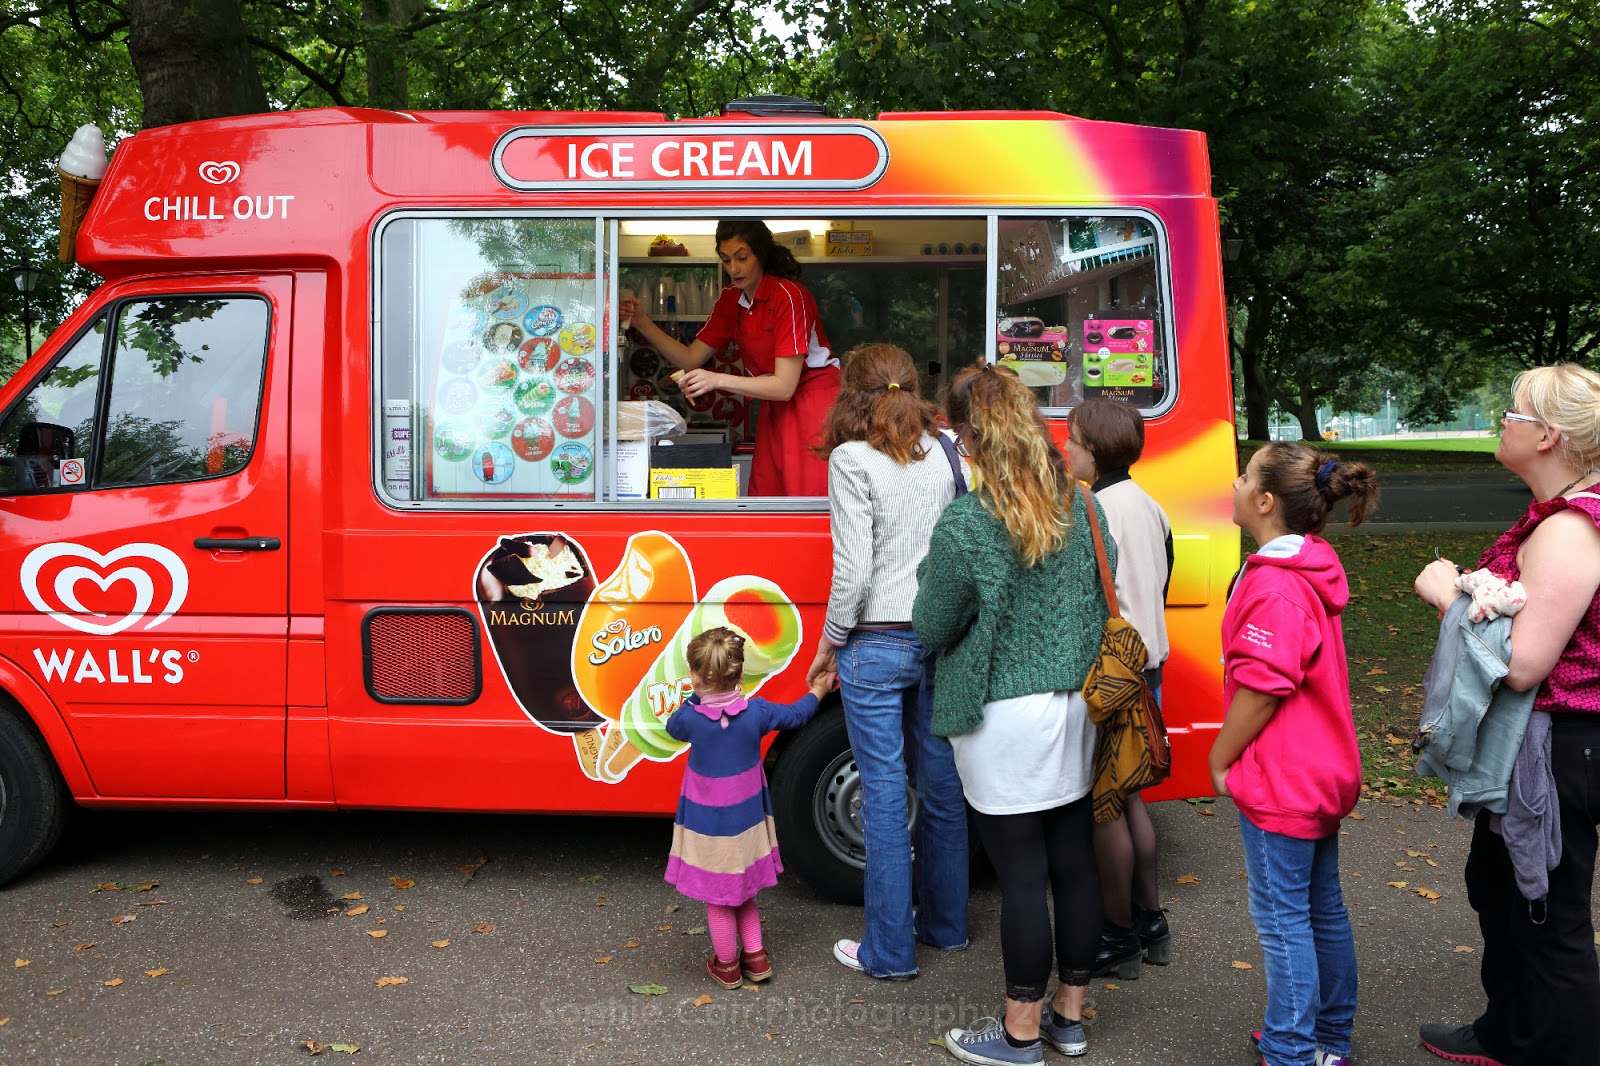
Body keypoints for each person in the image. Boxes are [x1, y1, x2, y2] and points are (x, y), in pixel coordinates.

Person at [914, 363, 1109, 1064]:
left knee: (1023, 876)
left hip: (1002, 714)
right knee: (1074, 864)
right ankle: (1069, 1016)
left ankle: (1020, 1034)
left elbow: (933, 626)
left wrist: (927, 583)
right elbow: (1097, 590)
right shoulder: (1085, 507)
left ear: (966, 438)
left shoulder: (968, 523)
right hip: (1077, 707)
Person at [1412, 364, 1600, 1066]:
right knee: (1497, 890)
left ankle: (1555, 1049)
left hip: (1558, 750)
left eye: (1514, 411)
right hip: (1538, 749)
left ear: (1549, 435)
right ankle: (1507, 1033)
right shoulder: (1559, 514)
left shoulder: (1572, 530)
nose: (1503, 419)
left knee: (1548, 918)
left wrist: (1447, 596)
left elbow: (1523, 662)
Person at [802, 343, 969, 980]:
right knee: (942, 788)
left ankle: (890, 952)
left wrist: (830, 642)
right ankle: (947, 928)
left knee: (881, 796)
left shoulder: (850, 458)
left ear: (853, 394)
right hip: (937, 634)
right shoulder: (946, 450)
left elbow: (852, 568)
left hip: (873, 640)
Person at [1211, 441, 1377, 1066]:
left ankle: (1290, 1049)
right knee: (1320, 906)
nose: (1233, 481)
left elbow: (1262, 688)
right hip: (1321, 767)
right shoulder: (1310, 564)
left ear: (1263, 501)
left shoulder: (1276, 586)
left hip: (1285, 776)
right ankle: (1327, 1039)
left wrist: (1221, 759)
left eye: (1245, 474)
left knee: (1284, 919)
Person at [1063, 397, 1174, 979]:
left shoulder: (1093, 508)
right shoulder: (1149, 505)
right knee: (1132, 796)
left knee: (1104, 806)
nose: (1066, 449)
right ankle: (1151, 920)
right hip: (1148, 667)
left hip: (1112, 674)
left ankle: (1117, 935)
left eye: (1074, 440)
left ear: (1095, 448)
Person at [664, 626, 835, 989]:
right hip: (748, 824)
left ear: (694, 675)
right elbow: (797, 715)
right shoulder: (756, 713)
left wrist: (695, 697)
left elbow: (672, 726)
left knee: (718, 898)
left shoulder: (692, 718)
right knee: (743, 892)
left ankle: (726, 965)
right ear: (740, 673)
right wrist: (819, 689)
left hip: (708, 827)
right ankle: (756, 959)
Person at [619, 220, 840, 496]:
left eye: (742, 258)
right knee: (768, 497)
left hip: (813, 405)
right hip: (775, 403)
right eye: (725, 260)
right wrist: (641, 322)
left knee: (806, 497)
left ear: (760, 255)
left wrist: (717, 379)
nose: (733, 269)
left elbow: (785, 386)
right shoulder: (730, 300)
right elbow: (690, 358)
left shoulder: (789, 296)